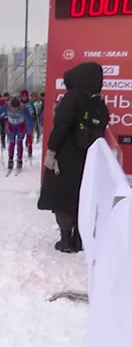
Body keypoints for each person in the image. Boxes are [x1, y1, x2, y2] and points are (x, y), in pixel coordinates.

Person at [38, 62, 108, 253]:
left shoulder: (72, 97)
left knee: (62, 196)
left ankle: (66, 240)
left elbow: (61, 127)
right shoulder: (97, 100)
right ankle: (79, 238)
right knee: (82, 195)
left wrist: (51, 153)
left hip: (67, 154)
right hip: (88, 155)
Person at [0, 97, 34, 171]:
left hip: (20, 126)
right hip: (11, 126)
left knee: (19, 142)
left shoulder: (24, 108)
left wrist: (29, 129)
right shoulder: (7, 106)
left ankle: (19, 160)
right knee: (12, 143)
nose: (15, 109)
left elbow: (29, 119)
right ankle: (10, 160)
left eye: (16, 108)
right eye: (13, 108)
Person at [19, 90, 38, 159]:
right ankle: (19, 152)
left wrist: (35, 116)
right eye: (23, 96)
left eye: (25, 96)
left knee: (29, 136)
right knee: (20, 138)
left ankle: (30, 149)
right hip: (21, 122)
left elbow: (35, 111)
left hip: (29, 122)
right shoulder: (19, 103)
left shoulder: (31, 103)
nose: (24, 98)